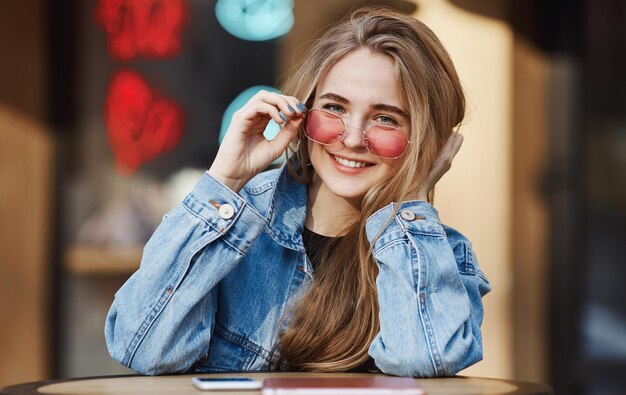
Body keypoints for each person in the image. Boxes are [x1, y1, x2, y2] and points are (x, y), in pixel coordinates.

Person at [105, 6, 491, 377]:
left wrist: (411, 198)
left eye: (385, 118)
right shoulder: (236, 225)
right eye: (334, 108)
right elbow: (140, 348)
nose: (352, 139)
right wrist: (224, 179)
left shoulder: (441, 256)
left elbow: (425, 362)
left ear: (427, 141)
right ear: (302, 113)